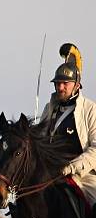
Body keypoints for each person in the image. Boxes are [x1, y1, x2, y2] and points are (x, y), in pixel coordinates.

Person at [40, 43, 96, 207]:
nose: (60, 87)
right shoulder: (49, 109)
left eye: (65, 83)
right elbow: (40, 141)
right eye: (57, 83)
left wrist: (71, 167)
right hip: (51, 174)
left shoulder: (90, 109)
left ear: (77, 85)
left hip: (84, 175)